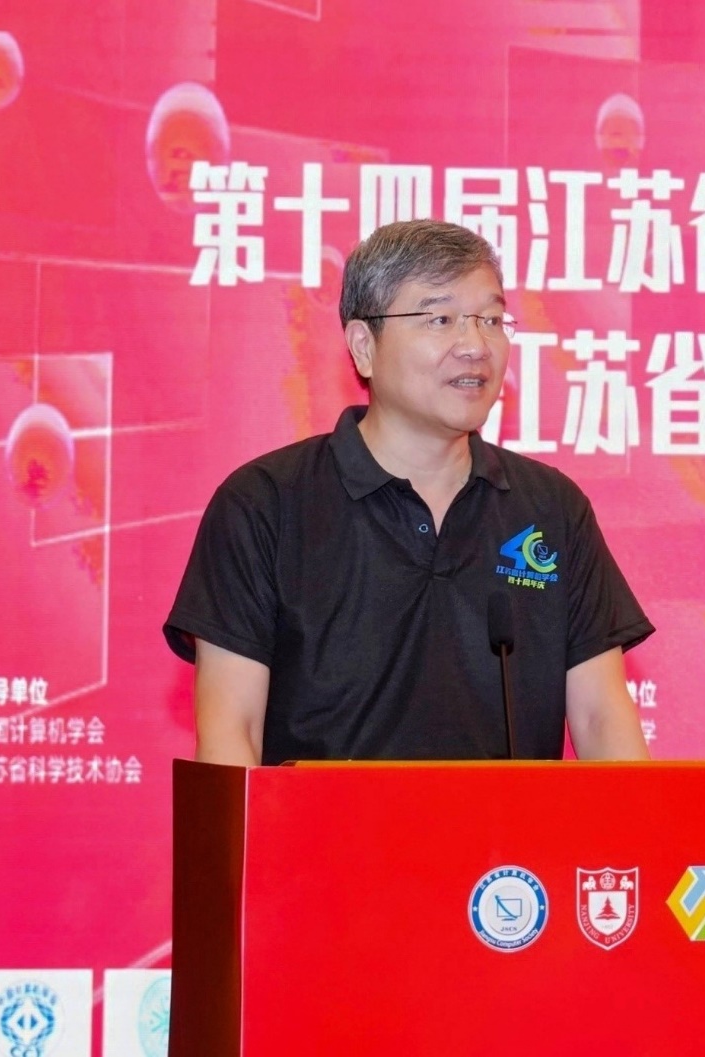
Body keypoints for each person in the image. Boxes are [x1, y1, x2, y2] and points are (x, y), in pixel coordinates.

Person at [164, 219, 653, 765]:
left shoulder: (551, 508)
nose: (475, 346)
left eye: (491, 320)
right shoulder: (265, 505)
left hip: (507, 827)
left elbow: (601, 718)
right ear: (364, 346)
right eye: (440, 319)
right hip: (322, 825)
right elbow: (232, 731)